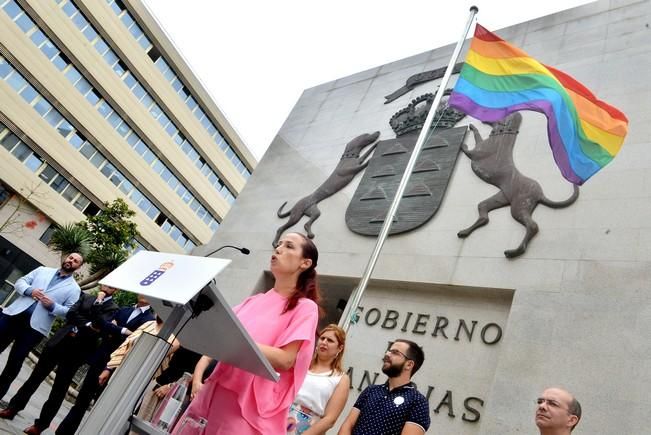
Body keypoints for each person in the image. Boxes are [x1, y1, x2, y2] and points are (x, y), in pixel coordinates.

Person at [173, 232, 321, 435]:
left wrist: (236, 341)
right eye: (278, 244)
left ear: (305, 263)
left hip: (249, 406)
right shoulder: (254, 300)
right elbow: (218, 331)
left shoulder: (305, 308)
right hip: (214, 391)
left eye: (289, 246)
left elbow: (286, 359)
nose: (278, 249)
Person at [0, 285, 119, 435]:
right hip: (59, 342)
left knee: (59, 390)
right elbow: (71, 313)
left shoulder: (113, 308)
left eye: (112, 286)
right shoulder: (87, 297)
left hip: (78, 352)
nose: (107, 286)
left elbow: (100, 325)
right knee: (34, 378)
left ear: (116, 291)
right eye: (106, 284)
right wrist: (88, 324)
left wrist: (99, 303)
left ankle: (40, 425)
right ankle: (13, 408)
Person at [55, 294, 155, 434]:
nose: (144, 295)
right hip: (101, 358)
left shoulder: (150, 320)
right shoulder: (123, 310)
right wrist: (123, 331)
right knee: (81, 400)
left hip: (119, 366)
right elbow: (103, 326)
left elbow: (134, 341)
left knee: (102, 407)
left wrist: (114, 329)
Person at [0, 253, 83, 402]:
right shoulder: (42, 270)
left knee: (14, 363)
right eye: (71, 258)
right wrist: (30, 291)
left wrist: (53, 306)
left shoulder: (74, 289)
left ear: (78, 267)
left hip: (34, 329)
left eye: (76, 261)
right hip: (12, 316)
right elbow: (20, 282)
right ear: (66, 258)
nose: (71, 261)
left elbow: (69, 312)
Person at [338, 339, 430, 435]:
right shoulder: (371, 390)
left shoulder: (418, 401)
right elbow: (348, 425)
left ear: (409, 364)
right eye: (389, 351)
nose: (387, 354)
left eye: (395, 353)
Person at [287, 324, 350, 435]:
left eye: (330, 340)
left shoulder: (341, 378)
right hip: (279, 417)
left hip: (309, 428)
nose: (324, 342)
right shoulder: (301, 364)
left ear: (340, 348)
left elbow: (330, 419)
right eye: (322, 338)